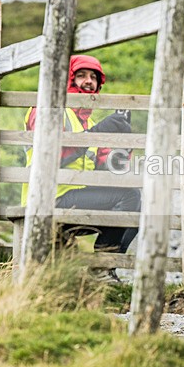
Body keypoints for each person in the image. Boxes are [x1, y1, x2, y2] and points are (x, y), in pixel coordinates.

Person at [21, 54, 140, 282]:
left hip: (76, 198)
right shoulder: (46, 108)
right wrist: (97, 133)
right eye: (81, 75)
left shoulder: (88, 122)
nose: (89, 81)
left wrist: (123, 144)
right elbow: (50, 157)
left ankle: (104, 269)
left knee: (140, 208)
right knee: (129, 196)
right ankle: (100, 269)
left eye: (94, 77)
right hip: (47, 198)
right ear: (68, 79)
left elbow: (107, 169)